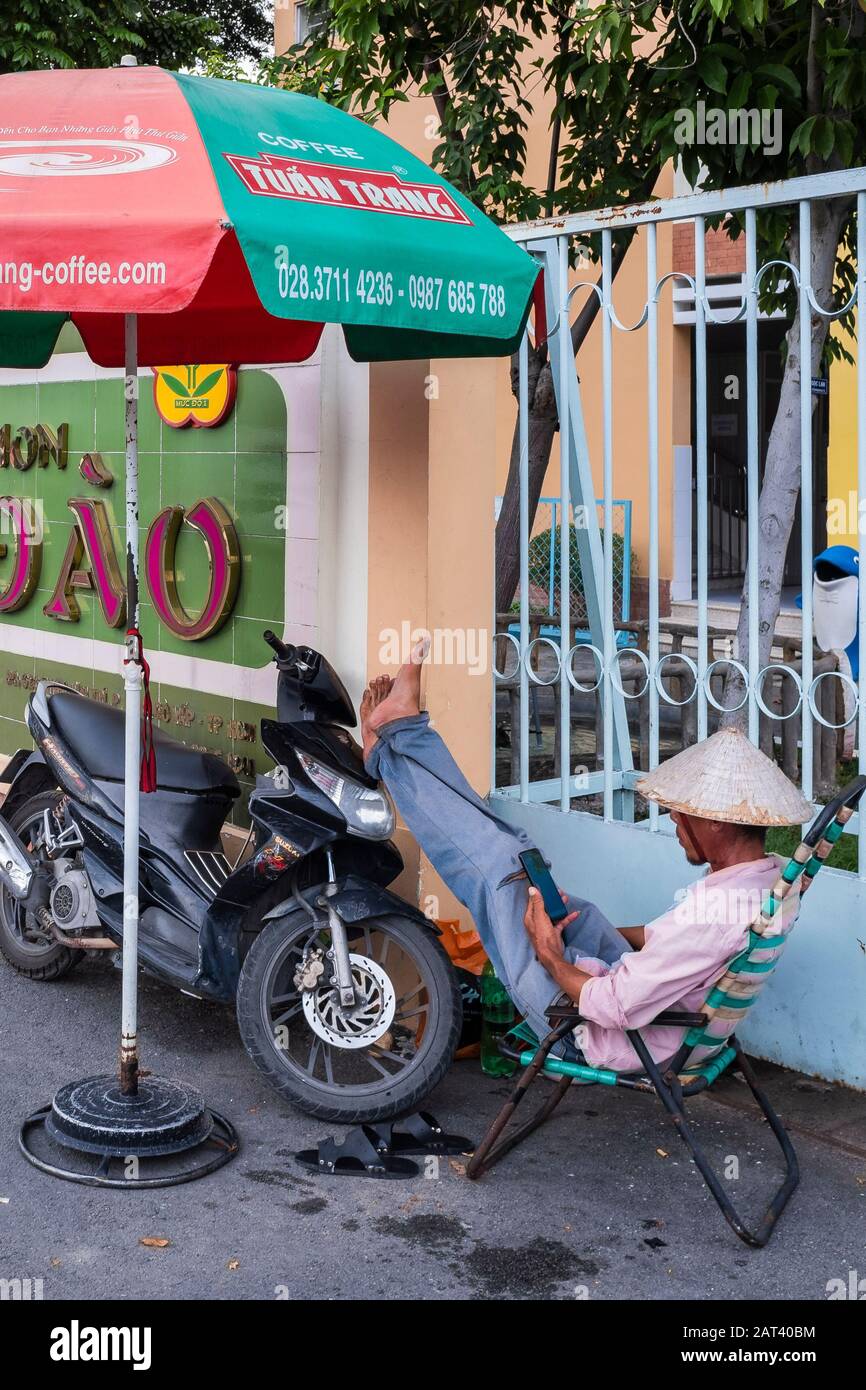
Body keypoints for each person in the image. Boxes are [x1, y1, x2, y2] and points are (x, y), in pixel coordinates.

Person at [360, 640, 813, 1071]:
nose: (674, 824)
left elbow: (614, 1004)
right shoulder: (760, 882)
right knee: (519, 857)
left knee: (496, 867)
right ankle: (401, 734)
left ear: (716, 820)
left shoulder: (719, 916)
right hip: (647, 1014)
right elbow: (664, 942)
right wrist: (579, 933)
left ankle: (388, 747)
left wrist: (552, 954)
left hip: (590, 1032)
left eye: (680, 815)